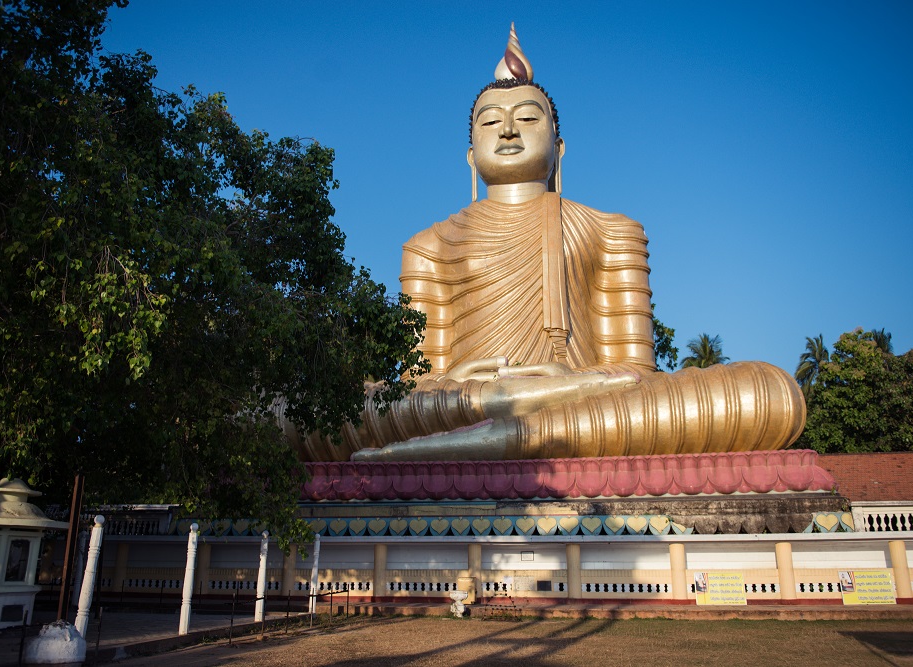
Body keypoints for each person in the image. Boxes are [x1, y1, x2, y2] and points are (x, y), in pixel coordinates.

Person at [288, 25, 805, 462]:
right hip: (461, 403)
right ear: (471, 154)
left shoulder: (612, 229)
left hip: (586, 405)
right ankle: (491, 430)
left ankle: (487, 437)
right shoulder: (429, 244)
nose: (508, 130)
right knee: (301, 412)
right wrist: (459, 384)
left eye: (528, 118)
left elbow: (637, 375)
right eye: (490, 122)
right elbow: (411, 386)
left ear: (558, 148)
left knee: (767, 392)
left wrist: (569, 381)